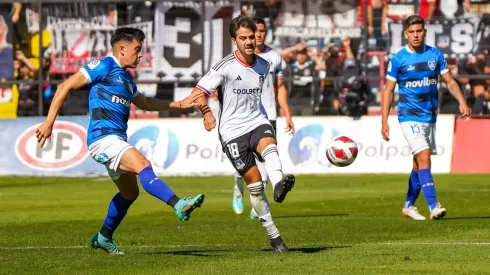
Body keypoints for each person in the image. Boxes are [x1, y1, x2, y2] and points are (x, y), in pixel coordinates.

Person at [35, 27, 205, 255]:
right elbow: (65, 86)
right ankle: (178, 204)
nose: (140, 54)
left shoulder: (125, 78)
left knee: (129, 194)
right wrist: (49, 122)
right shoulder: (103, 66)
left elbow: (144, 103)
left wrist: (177, 105)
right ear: (122, 49)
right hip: (103, 139)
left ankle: (104, 237)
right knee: (143, 165)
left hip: (115, 139)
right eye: (137, 49)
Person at [191, 15, 294, 253]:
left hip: (257, 120)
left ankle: (279, 183)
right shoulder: (223, 67)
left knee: (269, 145)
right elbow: (198, 92)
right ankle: (275, 238)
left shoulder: (265, 64)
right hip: (231, 132)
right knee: (255, 186)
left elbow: (279, 78)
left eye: (252, 36)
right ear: (234, 40)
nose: (250, 41)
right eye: (243, 38)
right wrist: (207, 113)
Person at [381, 15, 471, 221]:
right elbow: (388, 91)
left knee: (417, 165)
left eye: (418, 31)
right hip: (408, 116)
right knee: (424, 157)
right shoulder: (398, 59)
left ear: (424, 32)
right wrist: (384, 121)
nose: (415, 35)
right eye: (411, 32)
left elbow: (449, 82)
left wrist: (462, 101)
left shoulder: (435, 54)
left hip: (429, 117)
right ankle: (433, 205)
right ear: (405, 34)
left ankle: (409, 205)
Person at [231, 17, 295, 220]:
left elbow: (280, 87)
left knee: (266, 157)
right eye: (255, 32)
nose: (258, 35)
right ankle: (238, 188)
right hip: (242, 116)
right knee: (244, 161)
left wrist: (287, 113)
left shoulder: (274, 58)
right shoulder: (235, 58)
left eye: (262, 32)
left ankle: (258, 201)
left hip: (268, 114)